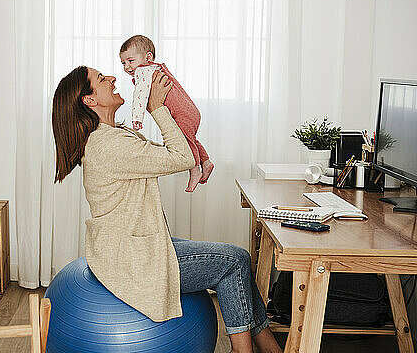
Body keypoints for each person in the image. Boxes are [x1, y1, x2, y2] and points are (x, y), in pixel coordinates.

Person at [51, 65, 283, 353]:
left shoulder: (112, 136)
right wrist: (158, 108)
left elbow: (167, 154)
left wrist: (160, 109)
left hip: (129, 247)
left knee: (238, 260)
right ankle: (244, 351)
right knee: (234, 261)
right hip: (131, 259)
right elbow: (181, 157)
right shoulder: (109, 145)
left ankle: (270, 347)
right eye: (101, 79)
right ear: (89, 100)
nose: (111, 78)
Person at [119, 35, 213, 192]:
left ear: (148, 57)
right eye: (123, 63)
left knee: (187, 143)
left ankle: (195, 169)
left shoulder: (143, 72)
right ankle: (206, 161)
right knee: (189, 139)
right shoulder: (156, 68)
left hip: (181, 113)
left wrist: (137, 118)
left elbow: (139, 97)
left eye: (130, 60)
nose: (127, 67)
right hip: (190, 111)